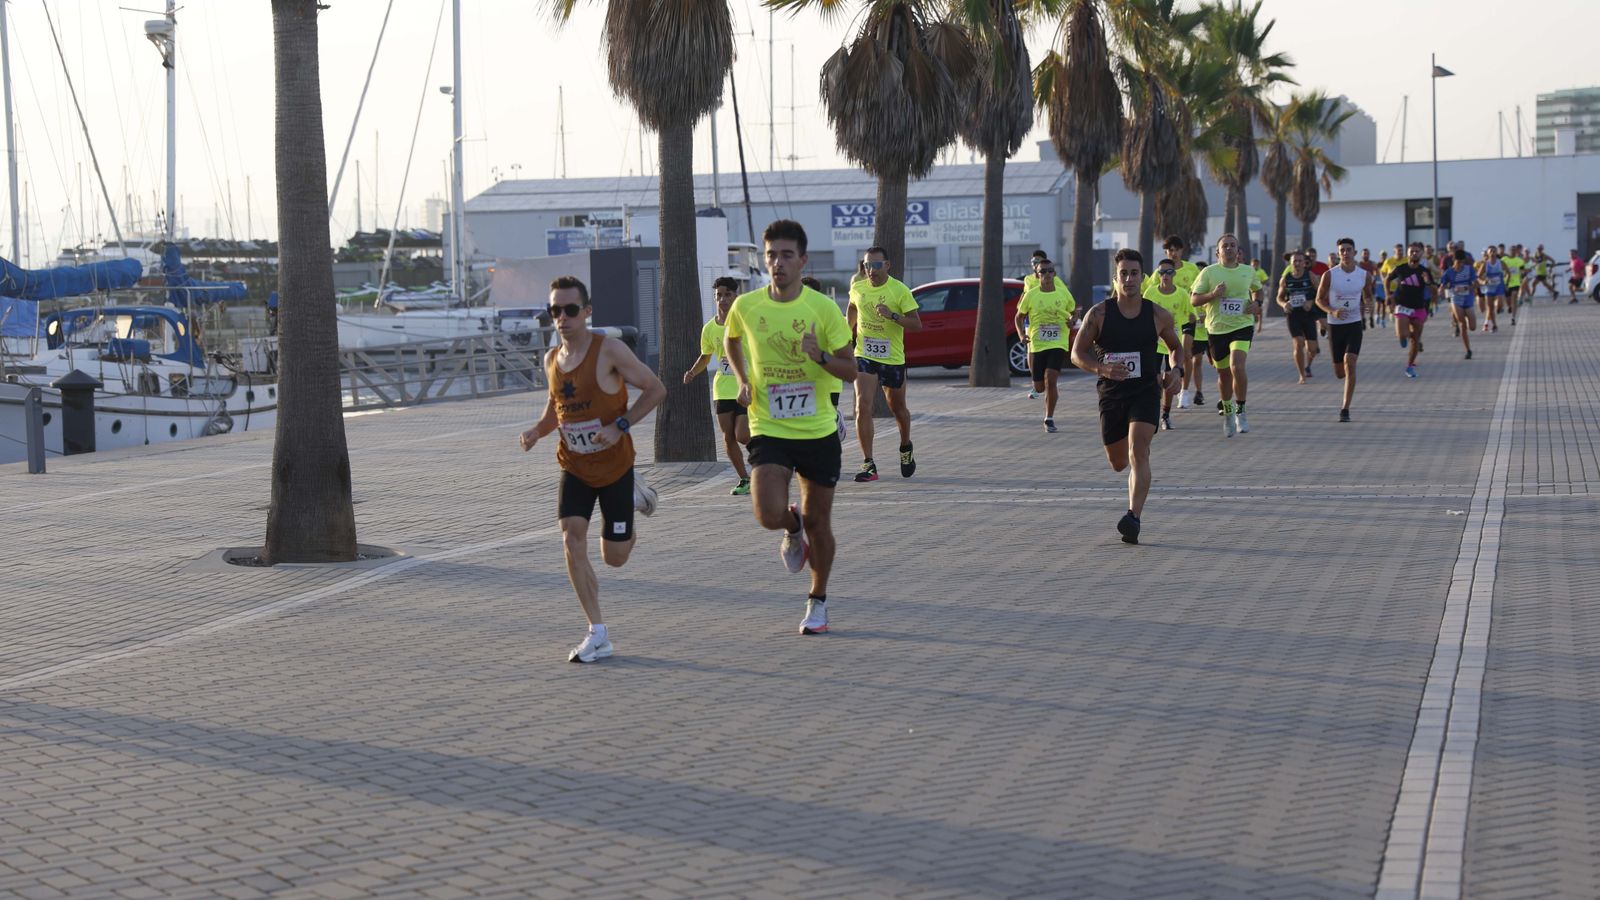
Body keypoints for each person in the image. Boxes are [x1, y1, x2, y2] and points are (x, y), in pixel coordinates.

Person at [520, 275, 667, 663]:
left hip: (617, 468)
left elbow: (656, 389)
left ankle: (638, 497)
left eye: (571, 310)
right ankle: (596, 631)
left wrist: (619, 426)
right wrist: (537, 431)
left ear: (587, 312)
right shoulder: (552, 359)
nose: (563, 318)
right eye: (555, 311)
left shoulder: (609, 351)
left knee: (614, 558)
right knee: (571, 540)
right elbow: (556, 409)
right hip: (575, 467)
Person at [724, 219, 857, 636]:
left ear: (802, 260)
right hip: (770, 426)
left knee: (820, 524)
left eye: (785, 255)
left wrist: (819, 359)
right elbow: (730, 339)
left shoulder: (822, 309)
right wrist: (743, 379)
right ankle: (789, 526)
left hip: (817, 431)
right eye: (770, 256)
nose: (777, 263)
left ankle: (817, 601)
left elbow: (851, 370)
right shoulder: (746, 307)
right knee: (766, 513)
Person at [1071, 248, 1185, 545]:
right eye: (1124, 273)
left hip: (1146, 390)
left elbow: (1176, 347)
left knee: (1139, 451)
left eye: (1135, 273)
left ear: (1142, 277)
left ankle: (1133, 517)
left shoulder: (1158, 314)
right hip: (1112, 394)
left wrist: (1176, 370)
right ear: (1115, 278)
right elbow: (1076, 354)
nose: (1129, 279)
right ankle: (1132, 503)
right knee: (1119, 462)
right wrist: (1101, 368)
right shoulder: (1099, 314)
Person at [847, 246, 922, 482]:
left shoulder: (899, 291)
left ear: (887, 266)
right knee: (862, 406)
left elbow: (916, 324)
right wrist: (848, 333)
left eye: (876, 265)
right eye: (867, 265)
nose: (871, 270)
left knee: (897, 408)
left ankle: (905, 447)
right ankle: (869, 463)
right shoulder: (857, 288)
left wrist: (892, 316)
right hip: (864, 354)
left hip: (892, 358)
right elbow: (851, 307)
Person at [684, 276, 751, 495]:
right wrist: (693, 371)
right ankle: (744, 479)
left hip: (747, 385)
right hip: (722, 388)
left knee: (742, 434)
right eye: (718, 296)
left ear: (735, 296)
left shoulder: (746, 322)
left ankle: (765, 456)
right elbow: (706, 356)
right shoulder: (709, 329)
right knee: (728, 436)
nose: (722, 300)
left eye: (727, 295)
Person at [1190, 233, 1261, 436]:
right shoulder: (1208, 273)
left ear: (1238, 251)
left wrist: (1257, 303)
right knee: (1223, 374)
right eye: (1225, 246)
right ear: (1217, 251)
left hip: (1242, 325)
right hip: (1217, 329)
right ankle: (1228, 412)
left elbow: (1258, 290)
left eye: (1233, 246)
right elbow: (1194, 300)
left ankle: (1241, 411)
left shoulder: (1248, 271)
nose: (1229, 249)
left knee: (1237, 366)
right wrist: (1212, 295)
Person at [1314, 238, 1372, 422]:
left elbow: (1368, 295)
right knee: (1340, 372)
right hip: (1335, 326)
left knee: (1350, 362)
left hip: (1354, 324)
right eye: (1342, 250)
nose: (1345, 253)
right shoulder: (1330, 275)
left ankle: (1345, 408)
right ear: (1338, 253)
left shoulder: (1364, 275)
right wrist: (1333, 311)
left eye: (1348, 250)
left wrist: (1368, 306)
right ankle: (1347, 379)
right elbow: (1319, 300)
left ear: (1355, 253)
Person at [1015, 259, 1077, 432]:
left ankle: (1049, 418)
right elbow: (1019, 317)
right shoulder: (1031, 294)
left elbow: (1074, 312)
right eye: (1043, 272)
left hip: (1058, 342)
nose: (1047, 275)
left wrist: (1073, 320)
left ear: (1054, 273)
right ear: (1037, 275)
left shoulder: (1063, 293)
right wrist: (1021, 334)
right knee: (1039, 386)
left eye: (1050, 271)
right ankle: (1045, 391)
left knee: (1051, 378)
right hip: (1037, 343)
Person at [1143, 235, 1203, 409]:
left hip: (1186, 317)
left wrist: (1200, 309)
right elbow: (1151, 294)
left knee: (1186, 354)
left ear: (1182, 251)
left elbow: (1200, 289)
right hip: (1164, 322)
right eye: (1170, 250)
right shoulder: (1158, 272)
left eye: (1176, 250)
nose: (1173, 253)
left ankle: (1184, 390)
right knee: (1168, 359)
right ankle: (1166, 393)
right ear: (1166, 252)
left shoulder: (1192, 269)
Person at [1141, 260, 1192, 429]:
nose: (1165, 276)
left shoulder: (1182, 294)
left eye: (1169, 272)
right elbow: (1142, 315)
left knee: (1170, 378)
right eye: (1162, 272)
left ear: (1174, 274)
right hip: (1153, 343)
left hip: (1172, 343)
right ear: (1158, 274)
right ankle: (1153, 415)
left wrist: (1188, 338)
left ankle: (1166, 415)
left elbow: (1189, 317)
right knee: (1154, 380)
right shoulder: (1150, 293)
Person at [1385, 242, 1437, 379]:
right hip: (1402, 306)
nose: (1414, 253)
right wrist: (1388, 295)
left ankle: (1410, 365)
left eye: (1417, 251)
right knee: (1403, 335)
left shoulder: (1424, 271)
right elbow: (1387, 279)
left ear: (1421, 254)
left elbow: (1434, 291)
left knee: (1415, 339)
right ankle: (1404, 336)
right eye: (1412, 251)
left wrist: (1427, 282)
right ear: (1407, 253)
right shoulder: (1401, 268)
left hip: (1418, 308)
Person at [1278, 251, 1319, 383]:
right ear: (1290, 263)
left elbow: (1321, 293)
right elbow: (1278, 297)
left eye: (1300, 261)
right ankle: (1302, 375)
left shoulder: (1310, 276)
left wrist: (1311, 302)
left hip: (1308, 314)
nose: (1297, 263)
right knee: (1298, 343)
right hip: (1293, 315)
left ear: (1304, 263)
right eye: (1294, 261)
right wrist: (1284, 304)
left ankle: (1308, 365)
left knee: (1312, 349)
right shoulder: (1286, 279)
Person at [1439, 250, 1477, 359]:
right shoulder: (1449, 272)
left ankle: (1459, 322)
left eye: (1461, 262)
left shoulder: (1469, 270)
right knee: (1462, 325)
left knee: (1473, 327)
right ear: (1453, 260)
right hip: (1456, 299)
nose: (1460, 264)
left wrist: (1466, 287)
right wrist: (1442, 289)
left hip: (1468, 298)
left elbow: (1475, 284)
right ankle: (1468, 350)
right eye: (1457, 262)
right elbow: (1443, 284)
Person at [1477, 246, 1506, 332]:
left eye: (1494, 251)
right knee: (1490, 308)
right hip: (1489, 287)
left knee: (1499, 304)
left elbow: (1508, 272)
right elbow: (1477, 277)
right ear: (1488, 253)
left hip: (1499, 286)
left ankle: (1500, 308)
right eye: (1491, 252)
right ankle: (1494, 325)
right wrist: (1482, 282)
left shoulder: (1501, 263)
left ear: (1496, 252)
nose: (1493, 253)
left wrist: (1506, 281)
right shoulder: (1485, 264)